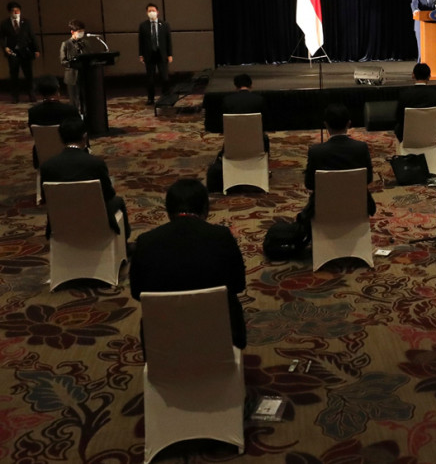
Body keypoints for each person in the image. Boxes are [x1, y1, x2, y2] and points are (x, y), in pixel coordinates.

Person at [130, 179, 247, 349]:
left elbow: (137, 292)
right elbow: (238, 285)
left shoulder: (146, 242)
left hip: (161, 339)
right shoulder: (221, 237)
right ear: (206, 210)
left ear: (168, 211)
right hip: (221, 336)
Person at [39, 116, 131, 241]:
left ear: (60, 139)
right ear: (85, 137)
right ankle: (124, 244)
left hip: (61, 217)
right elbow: (108, 194)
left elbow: (46, 199)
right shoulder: (95, 163)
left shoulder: (47, 166)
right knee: (118, 201)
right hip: (95, 215)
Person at [299, 104, 376, 222]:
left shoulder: (316, 152)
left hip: (324, 207)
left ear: (326, 125)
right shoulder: (361, 148)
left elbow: (309, 184)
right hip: (357, 205)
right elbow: (368, 178)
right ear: (349, 124)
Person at [28, 75, 81, 168]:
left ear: (39, 93)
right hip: (72, 153)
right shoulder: (70, 110)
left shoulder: (33, 112)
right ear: (58, 89)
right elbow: (79, 132)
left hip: (43, 153)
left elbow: (34, 133)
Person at [395, 62, 436, 143]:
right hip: (431, 136)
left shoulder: (404, 95)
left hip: (408, 137)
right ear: (429, 77)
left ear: (413, 75)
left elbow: (398, 117)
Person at [1, 1, 40, 103]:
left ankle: (31, 94)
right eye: (13, 11)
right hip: (12, 52)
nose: (16, 12)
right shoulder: (4, 24)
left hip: (26, 51)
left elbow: (32, 36)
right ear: (10, 12)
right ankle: (15, 96)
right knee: (14, 74)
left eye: (17, 10)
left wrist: (36, 49)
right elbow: (1, 38)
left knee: (29, 74)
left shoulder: (26, 22)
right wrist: (5, 47)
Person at [222, 72, 269, 152]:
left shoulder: (227, 100)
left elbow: (223, 122)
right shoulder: (259, 99)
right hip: (255, 137)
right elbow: (265, 121)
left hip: (234, 137)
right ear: (251, 85)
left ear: (236, 86)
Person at [137, 2, 172, 105]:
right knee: (150, 79)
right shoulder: (143, 26)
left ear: (157, 12)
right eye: (149, 11)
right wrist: (141, 54)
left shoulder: (164, 25)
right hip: (149, 55)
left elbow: (168, 40)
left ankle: (166, 97)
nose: (151, 12)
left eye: (153, 11)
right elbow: (141, 41)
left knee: (165, 77)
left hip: (161, 54)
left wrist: (170, 54)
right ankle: (150, 98)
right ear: (146, 13)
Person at [59, 20, 88, 115]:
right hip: (72, 75)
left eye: (82, 31)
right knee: (74, 100)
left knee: (85, 98)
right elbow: (63, 61)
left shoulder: (85, 43)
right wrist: (73, 62)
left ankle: (86, 117)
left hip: (84, 74)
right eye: (79, 31)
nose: (81, 33)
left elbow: (89, 56)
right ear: (72, 32)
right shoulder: (66, 44)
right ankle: (74, 118)